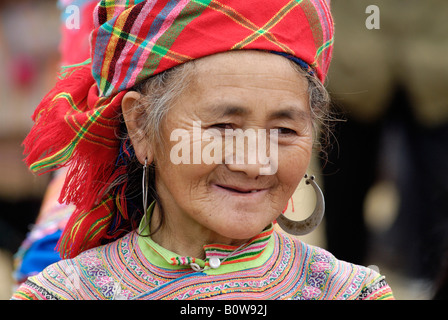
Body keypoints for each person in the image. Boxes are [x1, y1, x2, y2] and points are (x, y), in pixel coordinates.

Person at [11, 0, 394, 300]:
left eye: (284, 129)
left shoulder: (351, 292)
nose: (254, 162)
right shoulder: (62, 293)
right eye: (223, 127)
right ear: (141, 125)